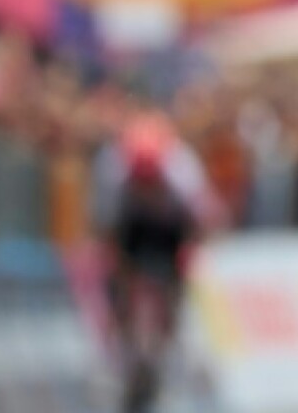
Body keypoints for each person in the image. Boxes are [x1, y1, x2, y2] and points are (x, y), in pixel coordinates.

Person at [90, 108, 223, 413]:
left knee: (174, 293)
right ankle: (127, 356)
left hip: (171, 228)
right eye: (142, 185)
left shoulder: (183, 171)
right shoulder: (112, 172)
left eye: (152, 185)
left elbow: (205, 222)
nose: (147, 191)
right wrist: (119, 274)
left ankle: (165, 350)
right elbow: (107, 232)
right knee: (121, 291)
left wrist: (189, 256)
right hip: (133, 227)